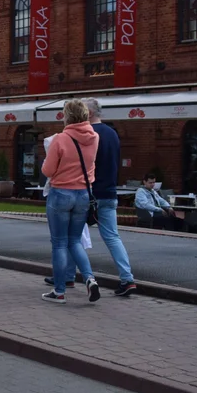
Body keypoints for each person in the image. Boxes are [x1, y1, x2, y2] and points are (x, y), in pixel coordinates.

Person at [50, 99, 137, 297]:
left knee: (73, 236)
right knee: (112, 237)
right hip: (109, 192)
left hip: (87, 193)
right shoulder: (112, 133)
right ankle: (127, 278)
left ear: (87, 113)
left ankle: (66, 276)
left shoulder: (87, 135)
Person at [40, 99, 100, 304]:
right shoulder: (95, 137)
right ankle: (90, 278)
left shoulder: (60, 139)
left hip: (61, 193)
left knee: (59, 243)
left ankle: (59, 291)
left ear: (67, 116)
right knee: (75, 241)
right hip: (84, 193)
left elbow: (47, 170)